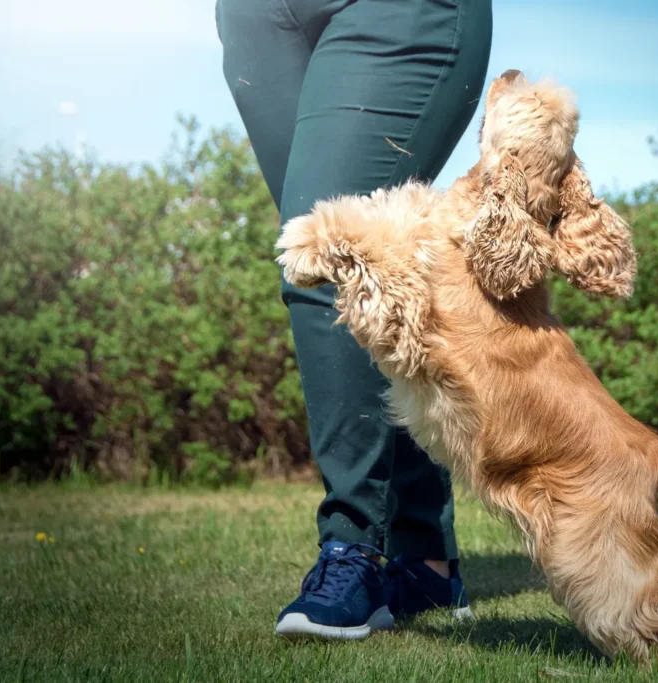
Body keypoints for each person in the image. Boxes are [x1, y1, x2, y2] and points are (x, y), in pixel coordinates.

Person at [215, 0, 493, 640]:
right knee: (340, 260)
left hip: (397, 11)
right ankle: (424, 559)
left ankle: (351, 549)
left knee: (326, 254)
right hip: (259, 16)